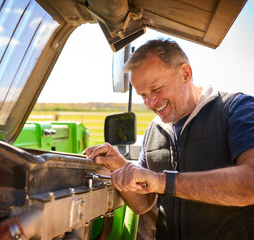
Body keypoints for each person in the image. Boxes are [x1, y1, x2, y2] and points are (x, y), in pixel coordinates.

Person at [85, 39, 254, 239]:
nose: (150, 102)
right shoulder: (154, 131)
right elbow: (144, 203)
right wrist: (121, 167)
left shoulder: (236, 110)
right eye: (143, 95)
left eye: (156, 89)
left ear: (185, 74)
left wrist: (163, 181)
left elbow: (250, 184)